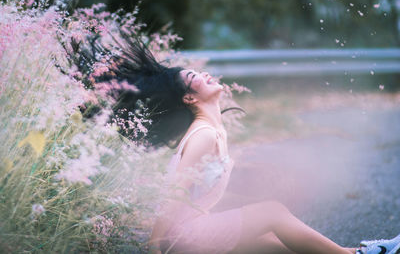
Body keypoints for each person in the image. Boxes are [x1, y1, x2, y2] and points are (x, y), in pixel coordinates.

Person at [74, 33, 400, 254]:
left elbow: (200, 191)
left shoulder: (212, 128)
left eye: (197, 73)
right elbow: (174, 192)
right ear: (189, 97)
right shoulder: (203, 135)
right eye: (194, 79)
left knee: (274, 242)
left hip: (190, 233)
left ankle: (356, 252)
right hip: (183, 239)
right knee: (272, 213)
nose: (204, 76)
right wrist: (156, 243)